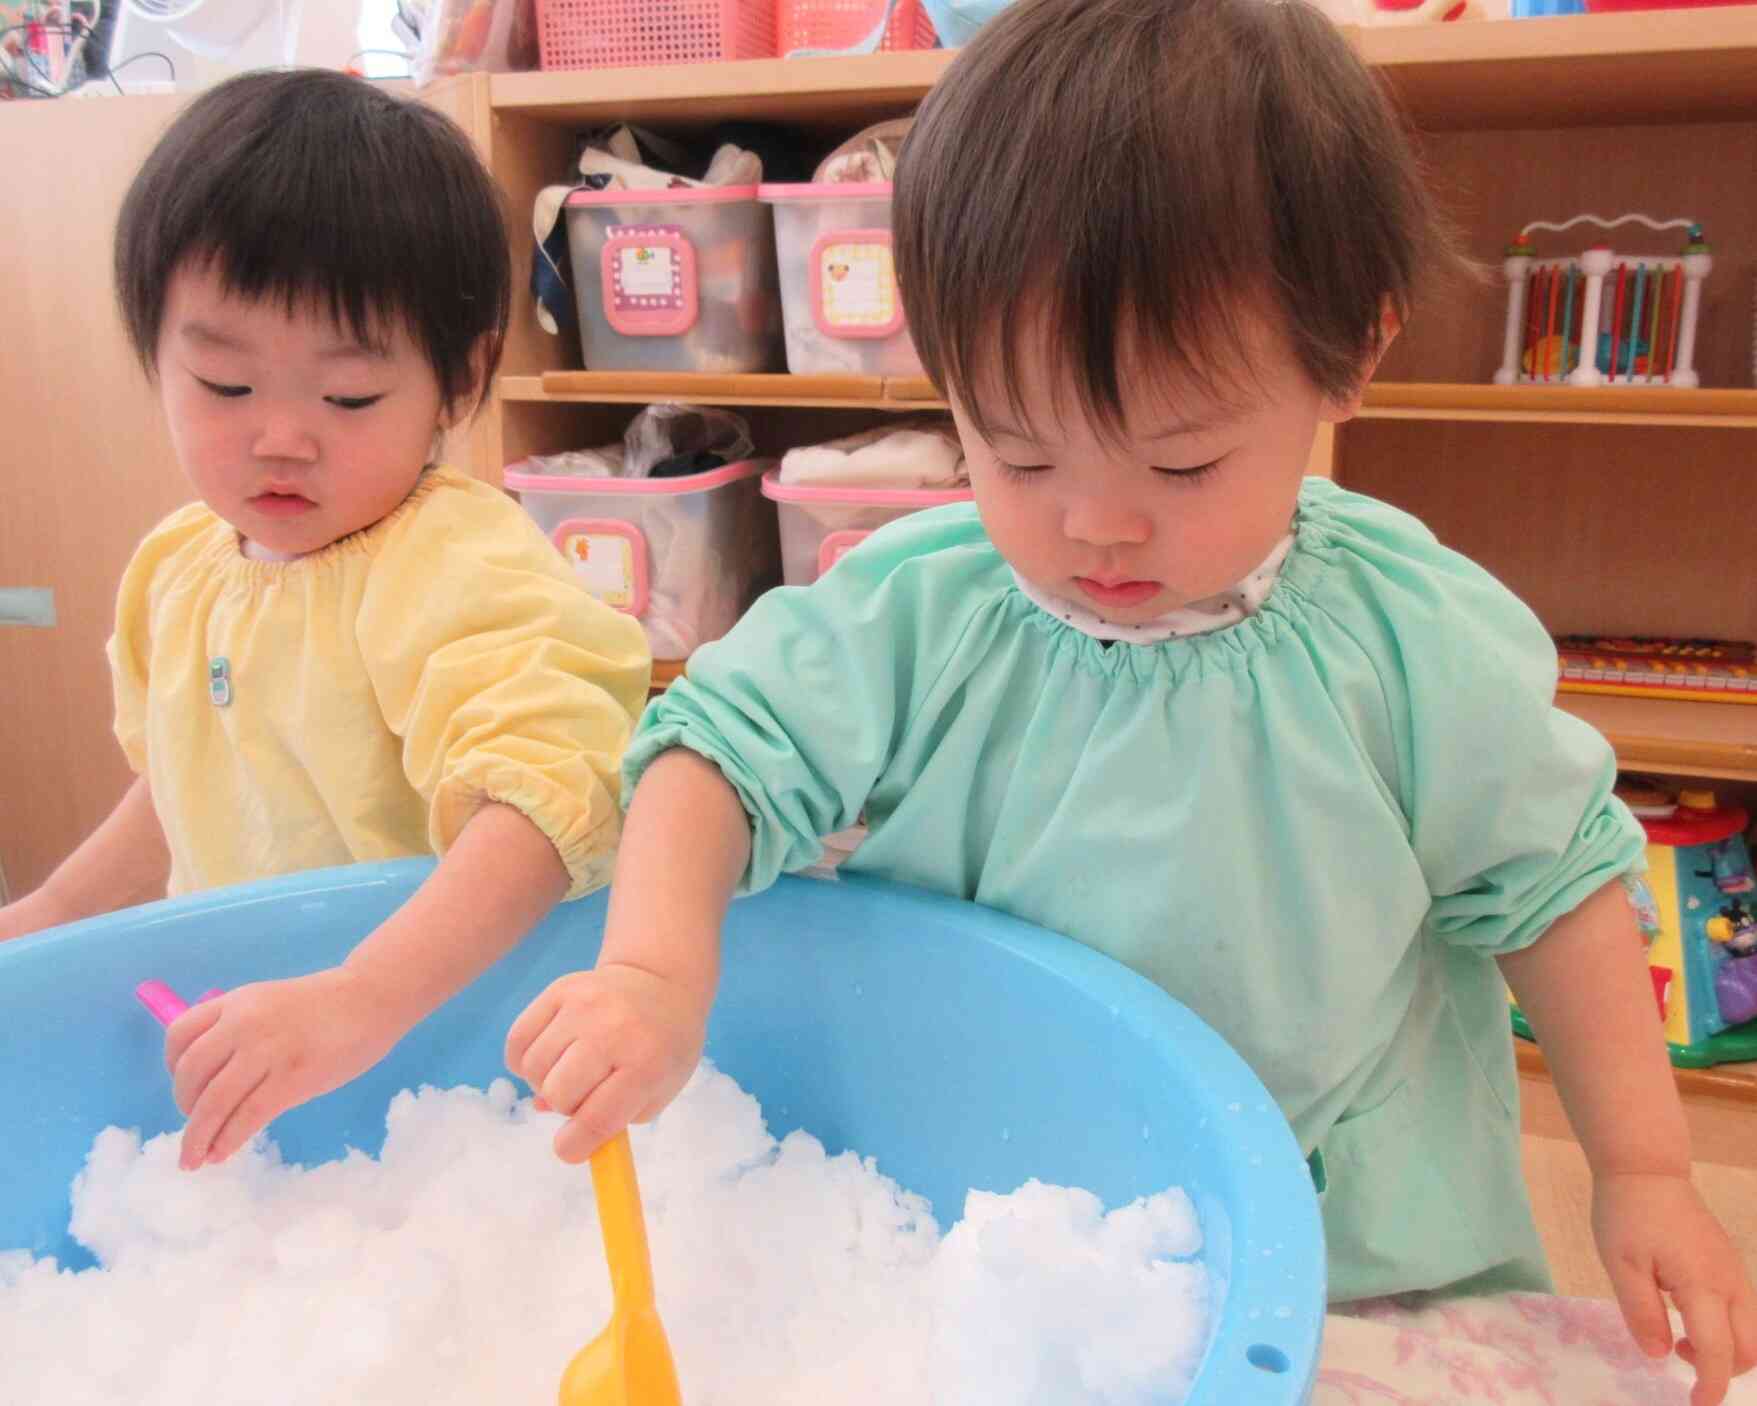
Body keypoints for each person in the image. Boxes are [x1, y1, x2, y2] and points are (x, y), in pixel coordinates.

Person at [504, 2, 1755, 1401]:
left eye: (1179, 467)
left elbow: (1558, 885)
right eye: (1021, 455)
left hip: (1344, 1255)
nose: (1098, 530)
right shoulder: (923, 605)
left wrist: (1643, 1170)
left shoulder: (1406, 637)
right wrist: (655, 977)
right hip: (1001, 1235)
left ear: (1349, 356)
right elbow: (715, 753)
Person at [0, 70, 651, 1177]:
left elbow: (543, 809)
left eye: (347, 399)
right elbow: (185, 775)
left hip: (447, 1065)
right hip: (265, 1054)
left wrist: (360, 998)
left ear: (460, 381)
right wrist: (54, 909)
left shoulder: (452, 561)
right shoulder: (180, 569)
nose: (282, 438)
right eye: (222, 383)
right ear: (152, 355)